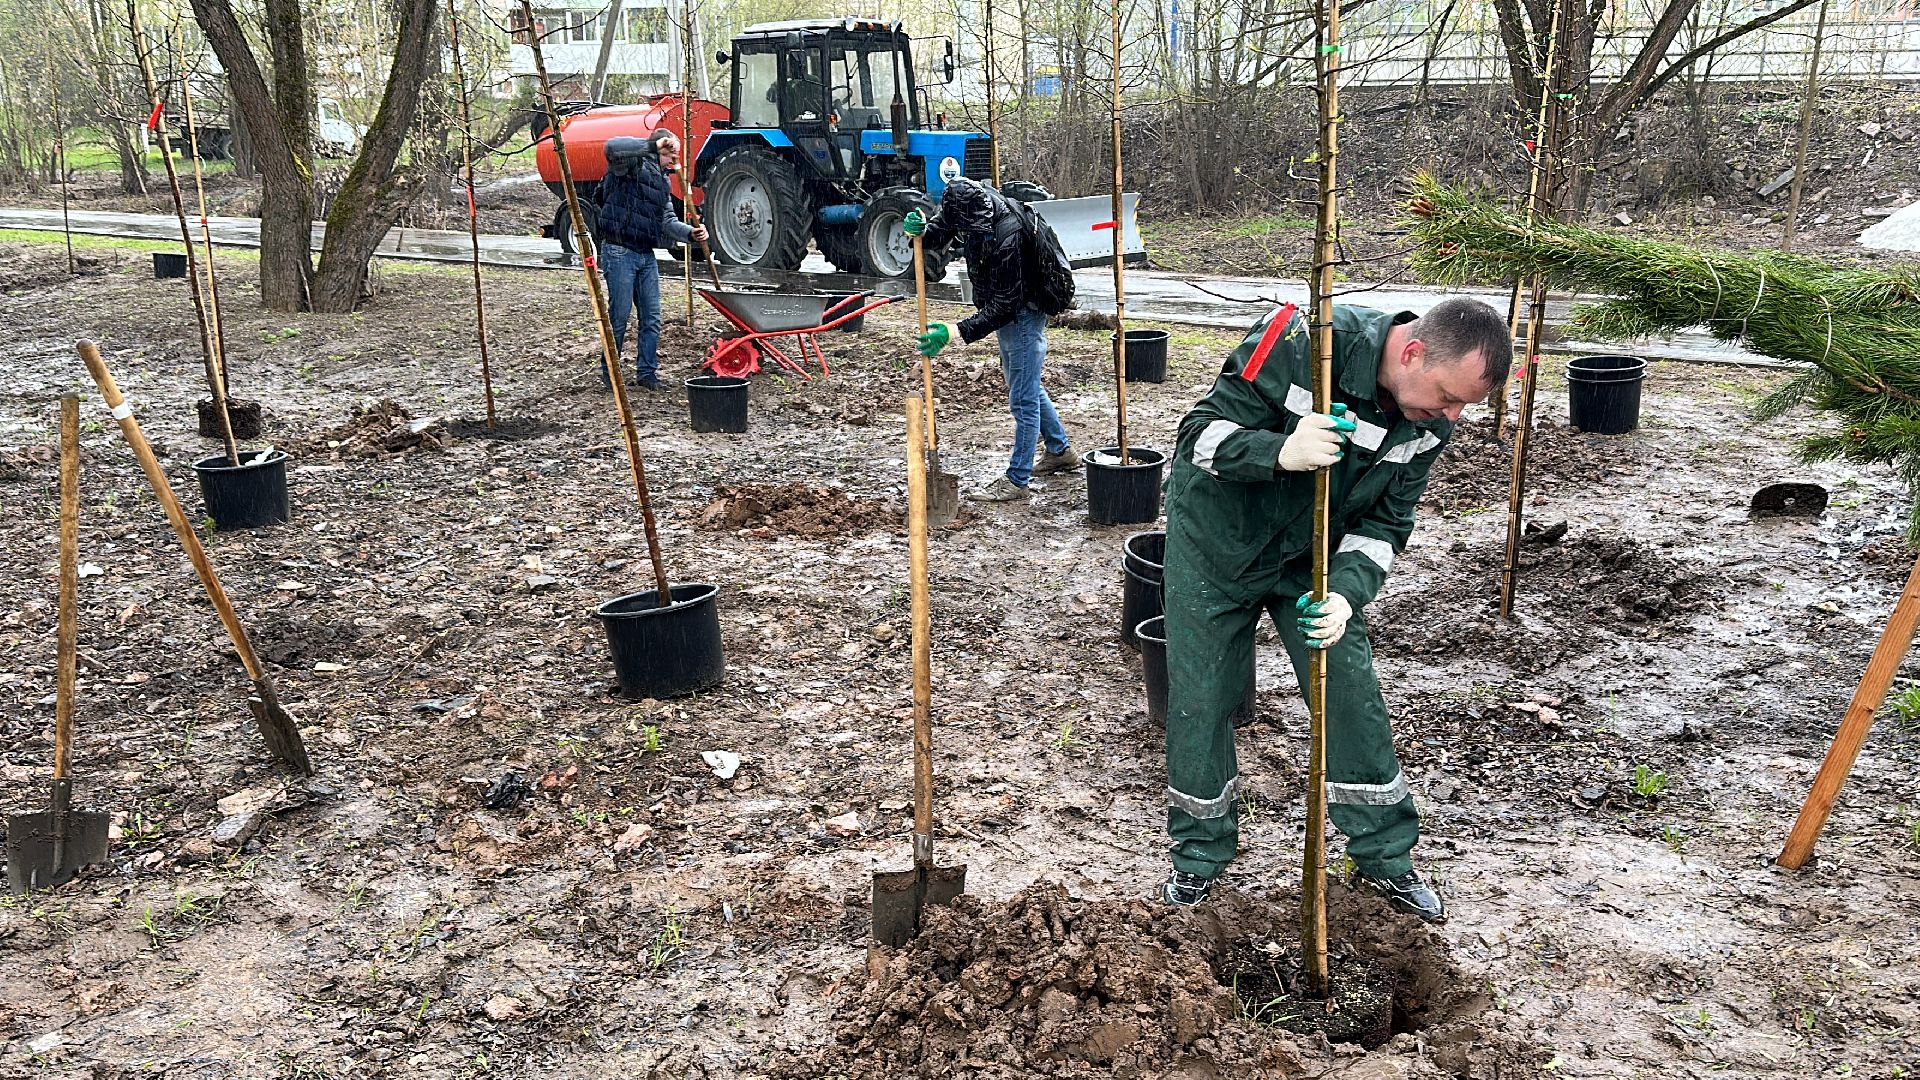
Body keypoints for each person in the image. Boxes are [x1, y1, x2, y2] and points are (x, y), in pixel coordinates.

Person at [1157, 297, 1512, 922]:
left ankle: (1384, 857)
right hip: (1217, 543)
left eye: (1462, 406)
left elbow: (1386, 520)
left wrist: (1346, 593)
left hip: (1312, 562)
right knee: (1201, 696)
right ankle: (1198, 858)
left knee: (1348, 687)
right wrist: (1278, 451)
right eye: (1448, 396)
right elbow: (1199, 438)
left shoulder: (1425, 423)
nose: (1452, 416)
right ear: (1412, 351)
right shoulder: (1300, 338)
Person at [903, 177, 1075, 502]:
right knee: (1025, 385)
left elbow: (1004, 307)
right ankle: (1060, 450)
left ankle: (1017, 480)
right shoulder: (967, 204)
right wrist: (923, 232)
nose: (969, 233)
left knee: (1022, 399)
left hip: (1025, 310)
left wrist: (955, 332)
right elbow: (943, 229)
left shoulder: (1007, 236)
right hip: (1010, 307)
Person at [594, 130, 707, 390]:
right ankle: (610, 374)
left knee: (652, 318)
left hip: (645, 255)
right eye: (670, 153)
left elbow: (667, 221)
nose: (674, 160)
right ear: (658, 149)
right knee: (619, 316)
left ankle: (647, 374)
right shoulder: (631, 166)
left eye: (676, 154)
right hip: (619, 250)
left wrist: (691, 233)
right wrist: (651, 146)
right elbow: (612, 146)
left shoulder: (661, 182)